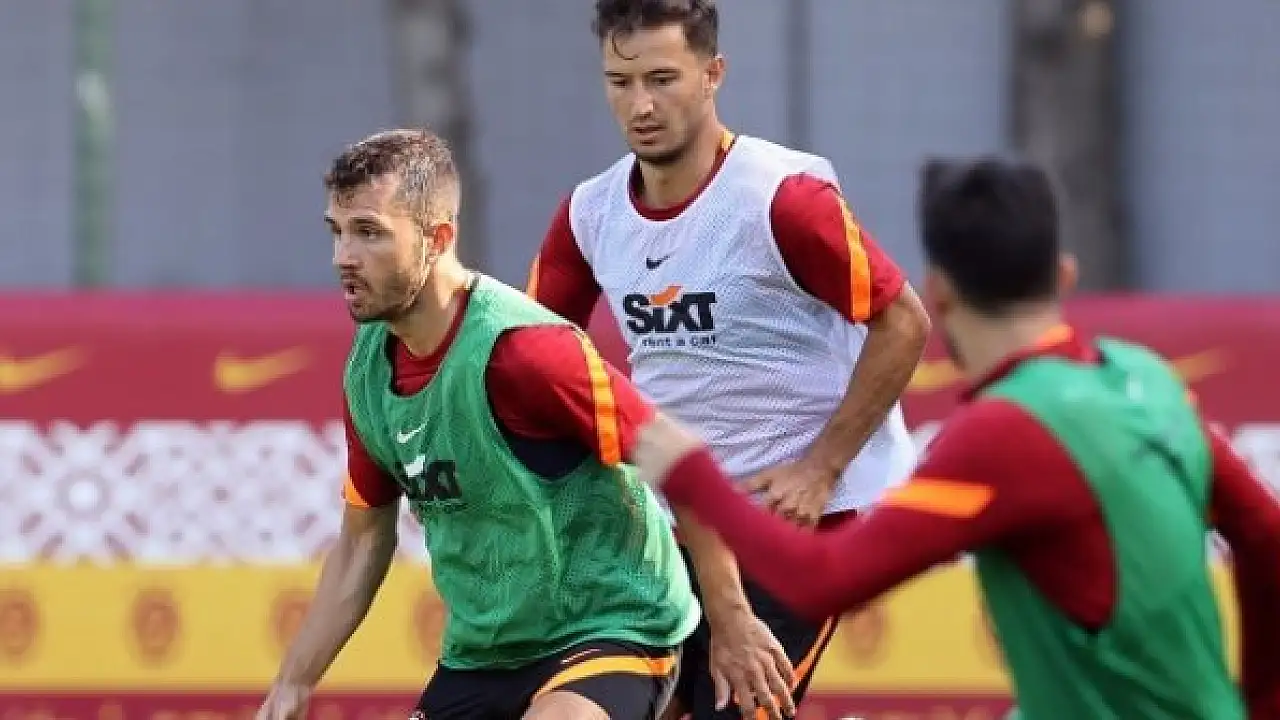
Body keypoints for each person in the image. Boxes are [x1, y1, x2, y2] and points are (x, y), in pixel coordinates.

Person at [632, 157, 1280, 719]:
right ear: (1064, 275)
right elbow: (1266, 536)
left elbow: (822, 580)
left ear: (939, 294)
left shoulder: (1004, 434)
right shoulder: (1152, 383)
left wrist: (692, 475)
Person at [256, 129, 782, 720]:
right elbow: (362, 541)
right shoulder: (368, 369)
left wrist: (731, 620)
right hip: (481, 656)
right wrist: (292, 684)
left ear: (438, 239)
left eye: (369, 232)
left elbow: (682, 463)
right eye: (337, 232)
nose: (343, 258)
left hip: (611, 629)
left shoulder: (525, 353)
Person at [526, 2, 931, 717]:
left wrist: (821, 468)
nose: (640, 105)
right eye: (620, 82)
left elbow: (904, 323)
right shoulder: (590, 214)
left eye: (662, 79)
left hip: (791, 530)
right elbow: (531, 360)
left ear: (713, 75)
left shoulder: (782, 200)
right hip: (666, 532)